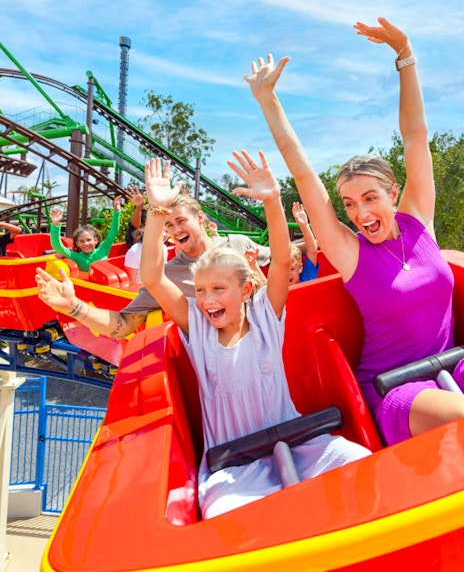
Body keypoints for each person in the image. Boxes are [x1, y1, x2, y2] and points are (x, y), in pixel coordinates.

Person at [244, 16, 464, 446]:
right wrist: (267, 99)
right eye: (348, 204)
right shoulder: (352, 252)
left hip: (451, 365)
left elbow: (415, 136)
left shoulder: (418, 221)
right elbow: (303, 173)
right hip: (396, 389)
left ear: (393, 192)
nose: (360, 213)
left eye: (369, 198)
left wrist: (405, 54)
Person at [140, 153, 370, 519]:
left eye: (218, 289)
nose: (207, 300)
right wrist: (156, 209)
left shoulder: (266, 314)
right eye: (199, 291)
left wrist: (273, 201)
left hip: (298, 444)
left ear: (246, 290)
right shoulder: (197, 327)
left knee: (361, 463)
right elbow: (152, 276)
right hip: (232, 463)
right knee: (226, 517)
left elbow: (280, 260)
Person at [36, 193, 271, 339]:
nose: (175, 230)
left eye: (181, 221)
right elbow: (123, 323)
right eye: (169, 225)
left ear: (200, 218)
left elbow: (289, 258)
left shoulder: (237, 244)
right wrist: (73, 306)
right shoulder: (167, 276)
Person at [49, 197, 122, 272]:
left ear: (95, 240)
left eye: (89, 240)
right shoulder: (77, 257)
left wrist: (116, 211)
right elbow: (57, 246)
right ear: (77, 243)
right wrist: (55, 224)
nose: (86, 243)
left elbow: (113, 231)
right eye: (82, 241)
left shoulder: (103, 249)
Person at [291, 202, 319, 282]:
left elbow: (312, 251)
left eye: (292, 269)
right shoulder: (276, 288)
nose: (288, 274)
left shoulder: (307, 278)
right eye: (284, 271)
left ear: (300, 268)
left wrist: (304, 225)